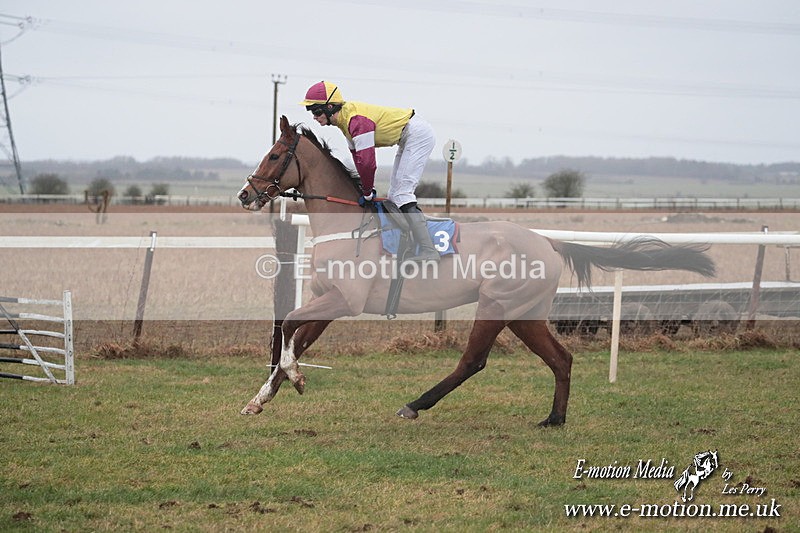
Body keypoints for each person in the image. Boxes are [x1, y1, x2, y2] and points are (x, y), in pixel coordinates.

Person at [300, 80, 439, 262]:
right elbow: (358, 158)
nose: (314, 117)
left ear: (330, 107)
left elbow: (368, 163)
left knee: (402, 194)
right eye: (311, 112)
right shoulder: (344, 122)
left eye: (317, 112)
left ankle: (429, 250)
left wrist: (367, 192)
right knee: (394, 196)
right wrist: (367, 189)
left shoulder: (356, 121)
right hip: (407, 136)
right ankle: (407, 243)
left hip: (417, 134)